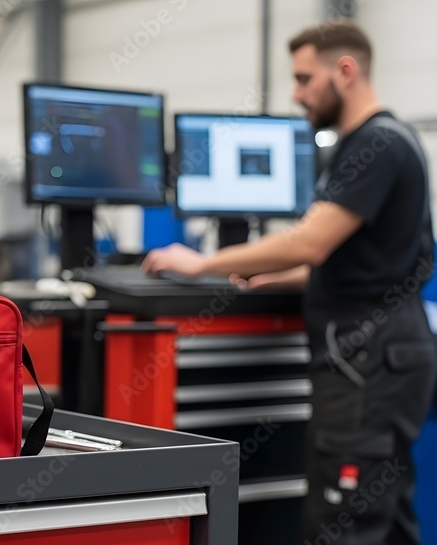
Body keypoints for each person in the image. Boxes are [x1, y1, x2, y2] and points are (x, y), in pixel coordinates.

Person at [143, 21, 437, 545]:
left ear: (345, 71)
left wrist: (199, 264)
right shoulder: (398, 139)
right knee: (384, 519)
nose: (297, 92)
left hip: (366, 363)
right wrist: (287, 275)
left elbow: (311, 241)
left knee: (342, 525)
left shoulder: (374, 145)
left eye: (304, 78)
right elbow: (375, 258)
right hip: (391, 354)